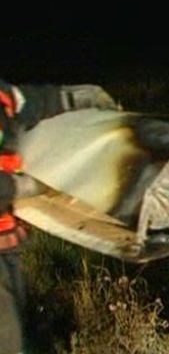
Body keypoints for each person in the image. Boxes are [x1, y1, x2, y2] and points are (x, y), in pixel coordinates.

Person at [0, 79, 117, 354]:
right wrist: (19, 186)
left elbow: (27, 102)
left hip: (8, 246)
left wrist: (74, 99)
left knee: (24, 333)